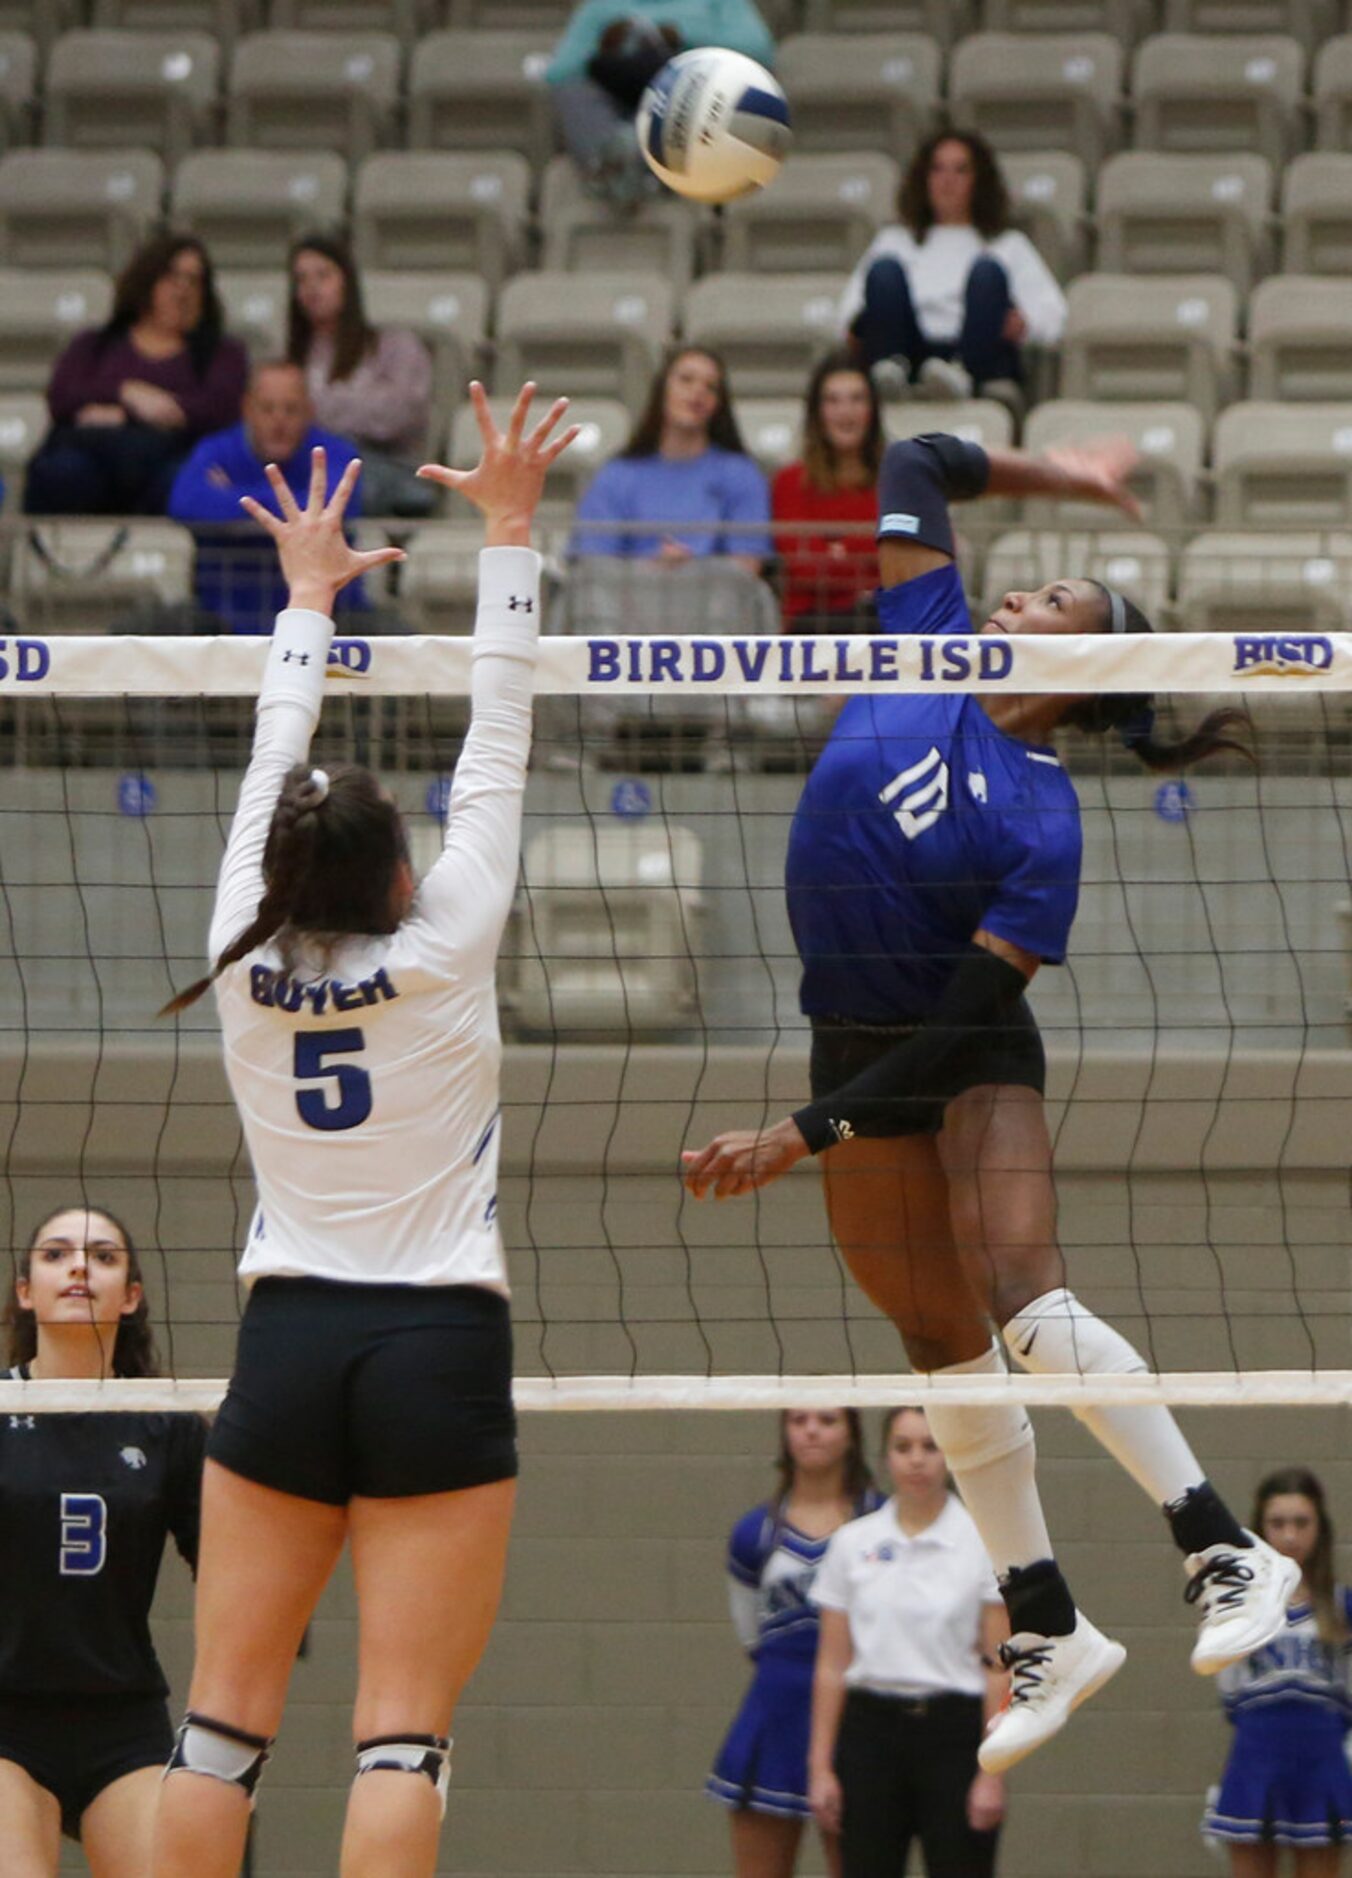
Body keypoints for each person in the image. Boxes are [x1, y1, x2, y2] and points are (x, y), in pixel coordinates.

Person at [680, 428, 1301, 1774]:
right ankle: (1049, 1620)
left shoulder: (1043, 823)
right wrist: (1063, 479)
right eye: (1025, 587)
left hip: (960, 1055)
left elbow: (965, 1020)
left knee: (1023, 1294)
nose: (1021, 597)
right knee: (936, 1336)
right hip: (844, 1040)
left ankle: (1220, 1542)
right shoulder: (926, 634)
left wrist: (804, 1133)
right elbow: (918, 456)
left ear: (1092, 664)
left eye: (1059, 601)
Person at [150, 380, 577, 1878]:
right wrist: (510, 527)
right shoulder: (448, 935)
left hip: (286, 1340)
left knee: (220, 1722)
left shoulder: (233, 950)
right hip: (436, 1342)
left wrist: (306, 601)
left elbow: (280, 754)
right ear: (401, 874)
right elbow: (500, 725)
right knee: (400, 1729)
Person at [0, 1204, 205, 1875]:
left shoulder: (164, 1422)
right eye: (55, 1254)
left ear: (132, 1296)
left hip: (121, 1719)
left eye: (103, 1256)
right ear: (26, 1292)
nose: (79, 1266)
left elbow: (232, 1576)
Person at [810, 1408, 1008, 1878]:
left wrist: (993, 1772)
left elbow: (1001, 1666)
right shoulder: (852, 1543)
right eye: (903, 1447)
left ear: (950, 1455)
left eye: (930, 1446)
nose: (917, 1460)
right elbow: (831, 1666)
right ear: (886, 1457)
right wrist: (820, 1768)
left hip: (954, 1736)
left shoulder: (983, 1541)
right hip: (869, 1734)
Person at [708, 1409, 879, 1878]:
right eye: (799, 1419)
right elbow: (751, 1637)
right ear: (784, 1433)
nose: (811, 1430)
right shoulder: (755, 1533)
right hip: (776, 1718)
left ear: (852, 1435)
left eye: (827, 1419)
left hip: (862, 1720)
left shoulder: (883, 1522)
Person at [839, 131, 1066, 409]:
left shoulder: (1008, 245)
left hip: (976, 354)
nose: (947, 181)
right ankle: (890, 372)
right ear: (924, 179)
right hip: (909, 353)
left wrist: (1024, 325)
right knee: (885, 271)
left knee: (987, 273)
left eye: (960, 170)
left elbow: (1054, 316)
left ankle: (961, 376)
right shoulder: (894, 240)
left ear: (978, 181)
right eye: (937, 169)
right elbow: (848, 313)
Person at [26, 233, 247, 516]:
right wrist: (127, 393)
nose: (183, 291)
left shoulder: (223, 353)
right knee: (61, 473)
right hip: (93, 462)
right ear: (147, 281)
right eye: (172, 277)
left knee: (190, 481)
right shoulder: (94, 345)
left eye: (194, 281)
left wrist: (123, 415)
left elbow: (219, 408)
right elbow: (62, 396)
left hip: (169, 462)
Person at [1205, 1467, 1352, 1874]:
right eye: (1278, 1523)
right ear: (1259, 1530)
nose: (1289, 1535)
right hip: (1256, 1762)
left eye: (1301, 1523)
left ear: (1320, 1529)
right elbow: (1230, 1697)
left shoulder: (1341, 1607)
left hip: (1323, 1765)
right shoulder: (1237, 1607)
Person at [168, 359, 362, 634]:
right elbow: (185, 502)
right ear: (247, 409)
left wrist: (231, 497)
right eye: (267, 408)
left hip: (329, 618)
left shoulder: (336, 454)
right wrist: (291, 511)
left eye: (291, 409)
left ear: (309, 410)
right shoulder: (216, 449)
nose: (279, 420)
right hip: (219, 617)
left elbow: (334, 508)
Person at [546, 0, 776, 206]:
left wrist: (682, 36)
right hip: (620, 104)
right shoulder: (601, 6)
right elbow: (558, 73)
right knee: (573, 94)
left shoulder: (719, 4)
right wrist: (602, 47)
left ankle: (633, 163)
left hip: (688, 96)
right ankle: (620, 161)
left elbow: (759, 50)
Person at [572, 346, 771, 570]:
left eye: (711, 387)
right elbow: (593, 564)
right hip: (628, 600)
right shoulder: (617, 474)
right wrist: (651, 569)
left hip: (713, 601)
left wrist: (690, 571)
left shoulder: (741, 474)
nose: (698, 391)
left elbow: (747, 567)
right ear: (662, 389)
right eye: (686, 380)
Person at [286, 233, 436, 519]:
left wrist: (314, 408)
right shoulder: (290, 357)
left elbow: (398, 415)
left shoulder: (395, 346)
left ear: (346, 281)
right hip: (307, 468)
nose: (311, 287)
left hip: (384, 470)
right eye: (301, 279)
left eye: (322, 275)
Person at [772, 353, 883, 632]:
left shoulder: (898, 482)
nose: (846, 412)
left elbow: (914, 565)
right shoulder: (790, 482)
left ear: (873, 410)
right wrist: (874, 554)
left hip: (884, 622)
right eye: (833, 400)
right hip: (812, 627)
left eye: (857, 399)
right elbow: (803, 568)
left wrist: (838, 551)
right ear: (816, 412)